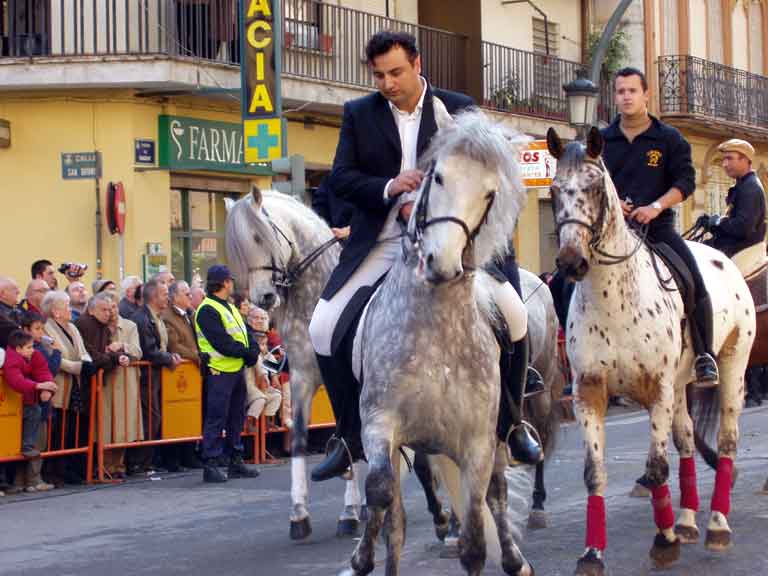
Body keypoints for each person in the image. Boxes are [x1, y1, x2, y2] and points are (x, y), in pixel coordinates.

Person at [307, 30, 541, 481]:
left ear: (416, 64)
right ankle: (348, 434)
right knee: (321, 328)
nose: (388, 83)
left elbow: (486, 174)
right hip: (384, 240)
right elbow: (341, 178)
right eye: (379, 75)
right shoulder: (359, 114)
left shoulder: (458, 109)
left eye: (395, 72)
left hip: (454, 241)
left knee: (515, 316)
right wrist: (389, 188)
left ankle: (512, 425)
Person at [601, 66, 718, 384]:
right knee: (571, 281)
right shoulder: (602, 140)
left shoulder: (669, 138)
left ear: (646, 94)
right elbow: (595, 179)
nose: (626, 97)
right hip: (614, 231)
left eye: (632, 91)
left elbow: (686, 181)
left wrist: (655, 207)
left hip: (658, 229)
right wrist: (616, 204)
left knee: (693, 282)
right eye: (621, 91)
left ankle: (705, 356)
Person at [194, 265, 260, 482]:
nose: (232, 284)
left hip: (235, 369)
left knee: (236, 417)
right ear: (223, 283)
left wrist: (253, 350)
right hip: (219, 370)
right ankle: (210, 463)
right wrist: (246, 354)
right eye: (230, 280)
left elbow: (245, 332)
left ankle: (235, 459)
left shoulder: (229, 307)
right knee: (216, 417)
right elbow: (221, 342)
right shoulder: (207, 309)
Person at [41, 290, 93, 485]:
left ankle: (68, 469)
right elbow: (54, 356)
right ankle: (53, 472)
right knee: (56, 431)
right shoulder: (46, 329)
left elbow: (83, 351)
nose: (70, 309)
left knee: (72, 428)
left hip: (75, 387)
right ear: (55, 312)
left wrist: (86, 362)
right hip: (59, 386)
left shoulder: (72, 327)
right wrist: (79, 367)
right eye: (66, 305)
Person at [132, 279, 182, 471]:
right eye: (164, 294)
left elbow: (162, 345)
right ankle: (140, 462)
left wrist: (170, 355)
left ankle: (147, 460)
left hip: (156, 376)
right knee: (150, 417)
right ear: (153, 297)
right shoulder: (143, 319)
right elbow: (149, 350)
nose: (167, 297)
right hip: (146, 377)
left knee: (155, 417)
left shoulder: (157, 317)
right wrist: (168, 358)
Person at [3, 330, 58, 493]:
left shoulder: (34, 355)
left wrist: (47, 386)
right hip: (12, 407)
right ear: (18, 349)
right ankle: (18, 481)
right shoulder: (11, 358)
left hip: (28, 404)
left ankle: (27, 480)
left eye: (32, 346)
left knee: (33, 419)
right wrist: (38, 386)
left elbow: (43, 371)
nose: (32, 349)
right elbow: (15, 381)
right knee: (9, 444)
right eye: (28, 347)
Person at [102, 292, 144, 478]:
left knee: (123, 424)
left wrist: (122, 346)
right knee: (106, 423)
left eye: (113, 307)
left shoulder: (129, 326)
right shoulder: (99, 326)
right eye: (107, 307)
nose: (111, 311)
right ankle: (104, 465)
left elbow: (138, 351)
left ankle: (119, 466)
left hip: (126, 380)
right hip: (106, 380)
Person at [702, 139, 767, 258]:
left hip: (742, 253)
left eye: (729, 158)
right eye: (724, 159)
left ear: (745, 160)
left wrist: (717, 222)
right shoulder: (742, 185)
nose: (724, 164)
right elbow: (732, 230)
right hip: (733, 249)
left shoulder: (750, 187)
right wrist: (711, 225)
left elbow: (742, 229)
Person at [244, 307, 282, 425]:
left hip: (263, 381)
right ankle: (249, 423)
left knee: (276, 395)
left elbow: (268, 356)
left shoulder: (267, 335)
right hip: (248, 378)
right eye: (256, 318)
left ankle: (268, 421)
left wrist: (274, 375)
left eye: (263, 318)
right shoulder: (246, 334)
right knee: (259, 398)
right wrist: (264, 375)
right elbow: (256, 357)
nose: (260, 321)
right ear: (249, 320)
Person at [162, 281, 199, 364]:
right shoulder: (167, 317)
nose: (191, 297)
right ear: (175, 297)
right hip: (182, 370)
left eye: (190, 294)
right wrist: (198, 356)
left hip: (196, 367)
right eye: (187, 294)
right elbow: (174, 346)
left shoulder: (191, 314)